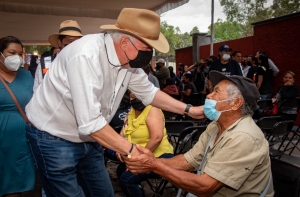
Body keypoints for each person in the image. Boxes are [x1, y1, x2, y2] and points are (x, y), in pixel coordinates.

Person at [25, 8, 204, 197]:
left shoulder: (127, 60)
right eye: (146, 49)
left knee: (103, 193)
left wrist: (189, 110)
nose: (149, 55)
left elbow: (149, 93)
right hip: (53, 137)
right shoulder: (86, 55)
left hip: (90, 138)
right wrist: (132, 151)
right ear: (125, 42)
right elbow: (91, 122)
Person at [125, 71, 274, 197]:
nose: (209, 95)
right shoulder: (215, 126)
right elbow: (187, 162)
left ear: (235, 103)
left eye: (216, 91)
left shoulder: (243, 137)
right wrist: (150, 162)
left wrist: (155, 165)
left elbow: (205, 187)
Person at [116, 91, 173, 197]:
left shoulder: (152, 109)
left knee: (127, 179)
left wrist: (139, 159)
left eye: (139, 95)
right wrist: (119, 147)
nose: (136, 99)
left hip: (159, 155)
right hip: (138, 154)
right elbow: (123, 132)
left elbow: (156, 138)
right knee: (120, 170)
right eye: (133, 96)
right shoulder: (132, 111)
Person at [0, 36, 35, 197]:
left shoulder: (26, 75)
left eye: (19, 54)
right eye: (11, 52)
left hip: (23, 139)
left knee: (22, 182)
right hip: (3, 139)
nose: (16, 57)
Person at [33, 20, 83, 92]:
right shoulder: (45, 64)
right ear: (59, 43)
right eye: (71, 41)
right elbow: (37, 91)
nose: (75, 45)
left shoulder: (84, 63)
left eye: (78, 42)